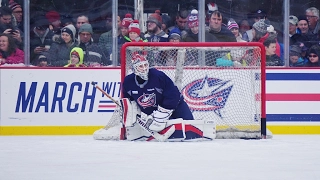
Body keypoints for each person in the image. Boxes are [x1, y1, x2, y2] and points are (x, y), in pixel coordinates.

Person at [122, 52, 194, 132]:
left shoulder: (158, 76)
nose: (144, 68)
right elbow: (128, 100)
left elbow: (173, 94)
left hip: (176, 105)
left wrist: (161, 113)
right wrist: (134, 113)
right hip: (154, 113)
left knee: (190, 128)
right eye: (140, 66)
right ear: (134, 68)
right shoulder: (128, 82)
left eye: (145, 65)